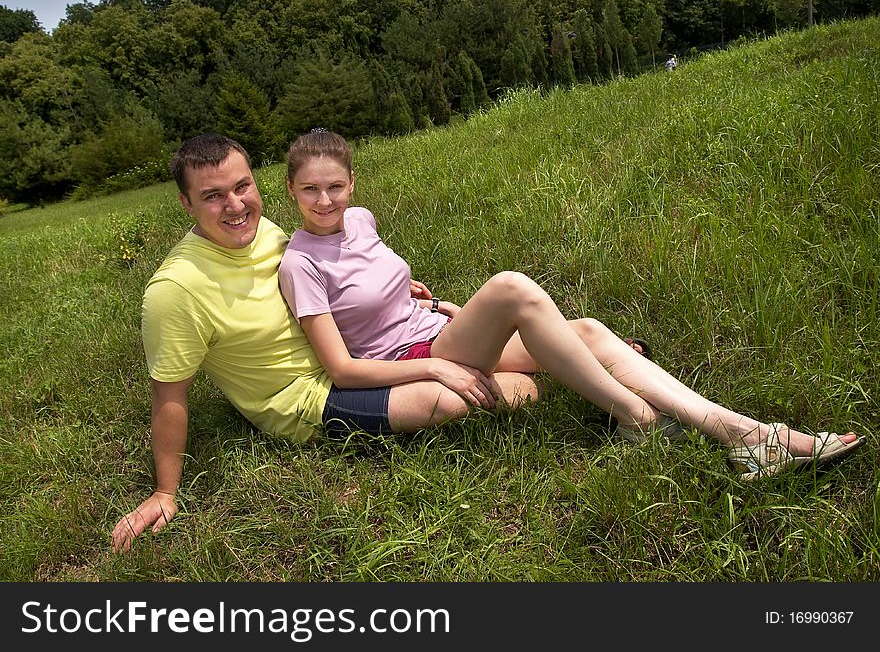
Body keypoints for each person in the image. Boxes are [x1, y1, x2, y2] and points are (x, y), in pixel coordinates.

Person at [278, 129, 865, 485]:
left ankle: (745, 433)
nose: (325, 200)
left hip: (438, 328)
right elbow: (343, 370)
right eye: (311, 189)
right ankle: (639, 418)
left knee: (585, 329)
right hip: (415, 356)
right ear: (291, 192)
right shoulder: (299, 264)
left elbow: (376, 280)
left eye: (336, 186)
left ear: (353, 184)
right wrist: (433, 364)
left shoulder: (361, 221)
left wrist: (425, 295)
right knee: (511, 287)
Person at [111, 133, 542, 553]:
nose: (235, 205)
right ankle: (517, 377)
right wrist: (165, 491)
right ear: (186, 203)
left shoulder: (261, 231)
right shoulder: (175, 289)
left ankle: (523, 369)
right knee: (450, 401)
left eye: (242, 186)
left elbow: (326, 274)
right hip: (308, 400)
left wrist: (387, 288)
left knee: (481, 369)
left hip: (354, 354)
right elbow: (169, 394)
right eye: (213, 196)